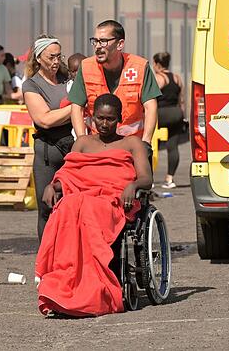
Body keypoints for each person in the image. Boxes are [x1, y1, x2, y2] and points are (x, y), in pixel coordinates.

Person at [36, 94, 153, 317]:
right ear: (92, 117)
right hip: (82, 198)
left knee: (84, 207)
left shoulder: (131, 143)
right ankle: (63, 288)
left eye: (110, 119)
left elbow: (146, 178)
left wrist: (133, 184)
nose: (104, 124)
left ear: (119, 118)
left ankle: (94, 292)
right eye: (100, 118)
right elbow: (69, 173)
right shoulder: (82, 142)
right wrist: (54, 185)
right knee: (67, 207)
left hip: (111, 201)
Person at [69, 20, 161, 161]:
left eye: (104, 41)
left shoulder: (139, 67)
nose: (98, 47)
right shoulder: (86, 67)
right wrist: (83, 140)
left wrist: (146, 143)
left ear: (120, 44)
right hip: (98, 147)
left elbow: (151, 106)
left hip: (133, 147)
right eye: (95, 41)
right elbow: (76, 107)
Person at [21, 36, 72, 240]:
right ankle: (45, 261)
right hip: (48, 152)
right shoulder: (32, 85)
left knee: (72, 207)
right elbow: (44, 120)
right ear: (39, 58)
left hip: (73, 149)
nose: (56, 61)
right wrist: (76, 108)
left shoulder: (68, 78)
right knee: (46, 208)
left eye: (59, 56)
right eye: (51, 57)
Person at [152, 52, 186, 189]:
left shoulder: (159, 78)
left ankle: (150, 179)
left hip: (161, 114)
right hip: (176, 113)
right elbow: (181, 100)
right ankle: (169, 179)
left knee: (150, 145)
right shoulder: (177, 78)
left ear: (157, 64)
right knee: (173, 146)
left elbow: (150, 98)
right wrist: (182, 116)